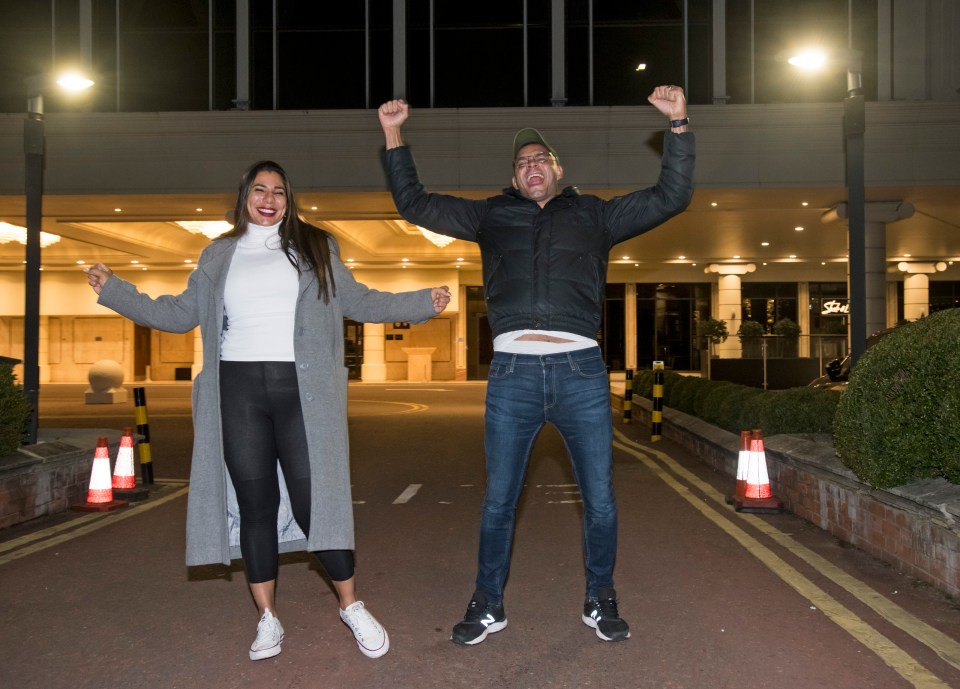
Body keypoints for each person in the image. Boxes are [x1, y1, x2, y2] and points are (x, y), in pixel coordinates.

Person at [84, 160, 451, 661]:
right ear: (245, 196)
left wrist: (420, 303)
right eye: (260, 189)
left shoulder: (317, 247)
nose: (270, 198)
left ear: (288, 199)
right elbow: (178, 313)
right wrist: (115, 290)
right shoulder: (219, 254)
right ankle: (267, 619)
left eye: (279, 190)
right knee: (254, 506)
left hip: (301, 392)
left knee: (313, 502)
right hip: (237, 391)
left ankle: (351, 604)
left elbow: (360, 301)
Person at [378, 85, 694, 645]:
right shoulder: (491, 216)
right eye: (522, 163)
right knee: (500, 499)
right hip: (512, 377)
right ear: (516, 176)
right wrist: (394, 135)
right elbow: (416, 203)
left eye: (540, 159)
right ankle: (487, 603)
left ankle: (601, 598)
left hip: (581, 373)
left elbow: (670, 196)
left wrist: (678, 125)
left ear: (557, 169)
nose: (532, 167)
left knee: (599, 498)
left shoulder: (595, 215)